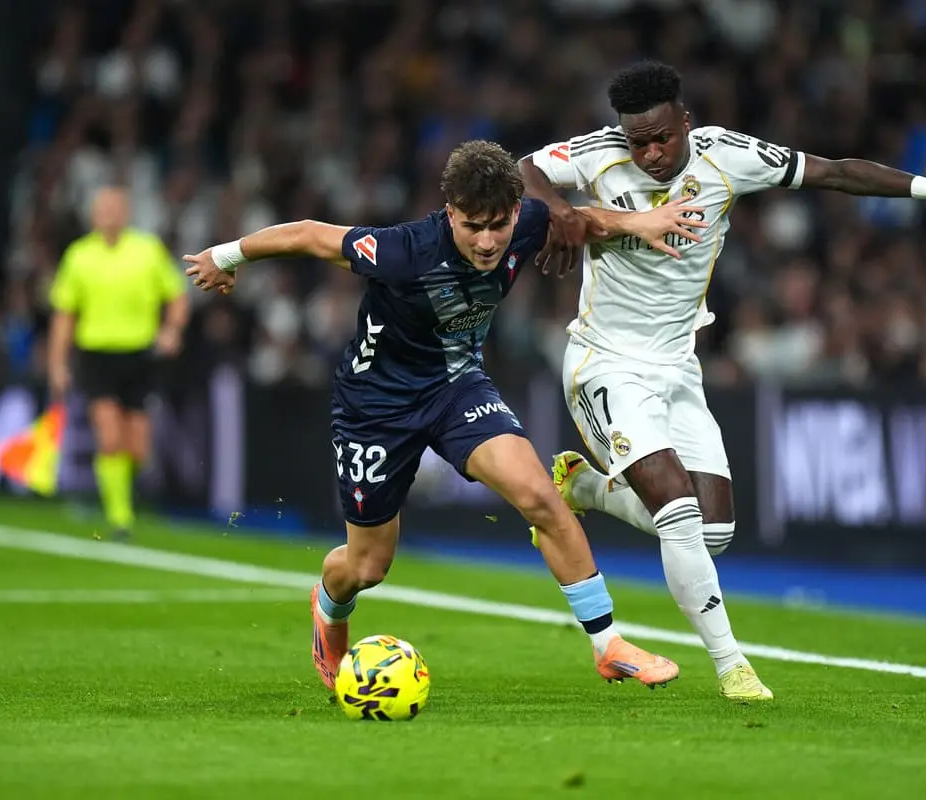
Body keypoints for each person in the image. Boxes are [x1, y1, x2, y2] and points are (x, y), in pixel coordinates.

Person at [519, 61, 926, 702]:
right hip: (605, 362)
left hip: (678, 367)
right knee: (677, 511)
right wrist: (557, 207)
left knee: (714, 532)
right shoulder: (599, 154)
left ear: (685, 123)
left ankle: (585, 486)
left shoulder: (727, 156)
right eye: (638, 142)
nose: (650, 153)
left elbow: (834, 172)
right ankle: (732, 666)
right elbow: (523, 168)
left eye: (662, 138)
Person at [183, 140, 709, 693]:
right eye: (473, 227)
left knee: (539, 496)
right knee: (366, 567)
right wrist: (227, 256)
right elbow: (311, 235)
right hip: (375, 406)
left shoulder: (528, 222)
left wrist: (642, 222)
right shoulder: (404, 250)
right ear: (451, 213)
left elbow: (580, 220)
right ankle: (329, 609)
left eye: (498, 226)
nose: (487, 242)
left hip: (457, 387)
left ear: (515, 212)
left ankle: (608, 645)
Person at [48, 185, 189, 540]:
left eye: (115, 208)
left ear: (127, 213)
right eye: (103, 209)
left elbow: (176, 295)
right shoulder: (79, 256)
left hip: (139, 356)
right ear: (93, 215)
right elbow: (64, 315)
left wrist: (172, 330)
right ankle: (120, 517)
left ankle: (121, 496)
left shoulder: (147, 250)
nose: (109, 215)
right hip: (97, 356)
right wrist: (57, 363)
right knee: (109, 436)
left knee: (139, 447)